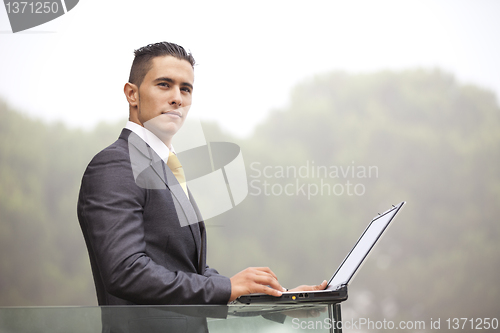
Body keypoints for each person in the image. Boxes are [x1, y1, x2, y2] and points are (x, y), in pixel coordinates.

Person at [77, 42, 326, 308]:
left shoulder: (166, 167)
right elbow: (125, 271)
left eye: (186, 89)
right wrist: (227, 286)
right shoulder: (115, 165)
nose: (178, 98)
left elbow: (187, 271)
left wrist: (278, 300)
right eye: (164, 84)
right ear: (132, 94)